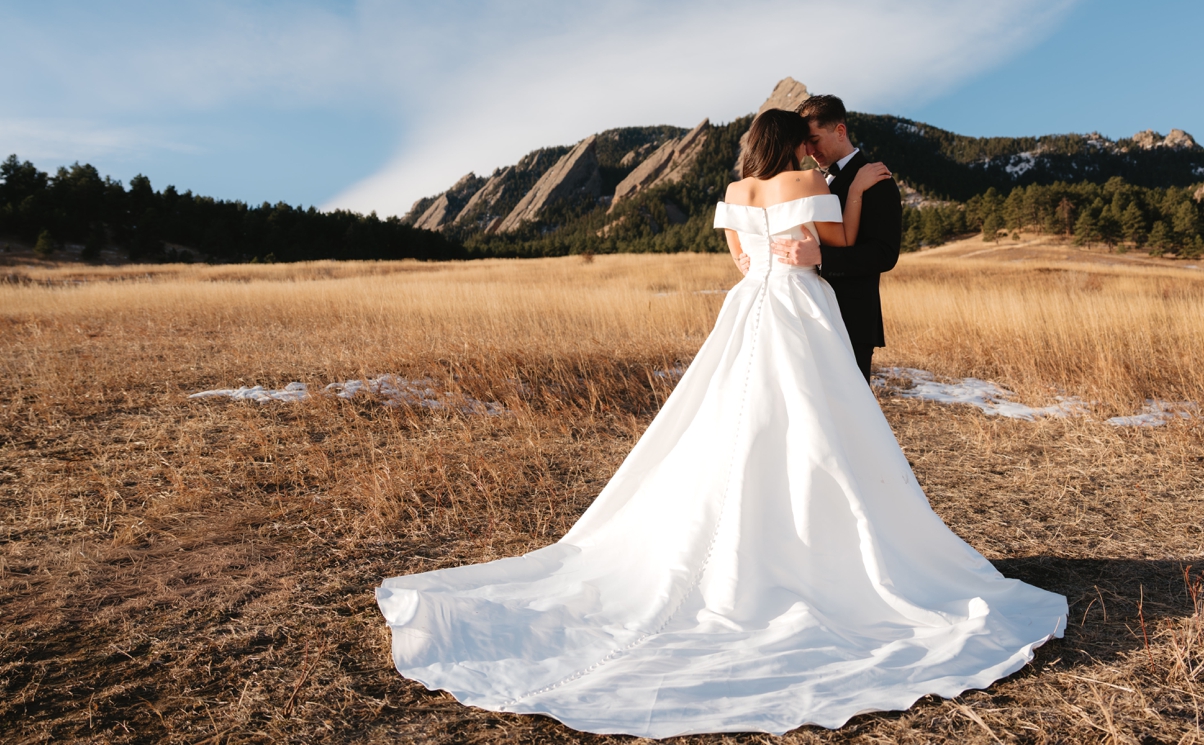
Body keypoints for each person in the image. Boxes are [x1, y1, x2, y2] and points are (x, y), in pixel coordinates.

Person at [375, 109, 1067, 738]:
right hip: (802, 309)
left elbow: (742, 260)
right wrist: (853, 192)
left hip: (750, 306)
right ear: (794, 144)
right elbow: (839, 242)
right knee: (815, 427)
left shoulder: (735, 195)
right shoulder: (806, 180)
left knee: (729, 425)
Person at [771, 94, 902, 382]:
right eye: (804, 142)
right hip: (808, 313)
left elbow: (885, 253)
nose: (808, 149)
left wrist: (822, 258)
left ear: (840, 131)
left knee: (851, 417)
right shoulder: (810, 182)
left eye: (814, 139)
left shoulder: (877, 181)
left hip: (851, 318)